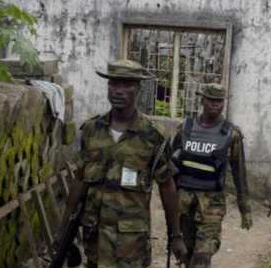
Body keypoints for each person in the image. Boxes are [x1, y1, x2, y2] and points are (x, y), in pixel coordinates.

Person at [61, 59, 187, 268]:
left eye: (126, 84)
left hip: (130, 245)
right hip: (95, 239)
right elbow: (80, 179)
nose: (118, 90)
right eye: (113, 83)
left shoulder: (152, 135)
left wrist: (175, 235)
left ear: (137, 89)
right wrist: (64, 227)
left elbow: (167, 186)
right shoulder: (91, 130)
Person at [171, 83, 253, 268]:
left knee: (203, 255)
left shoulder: (231, 133)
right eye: (211, 100)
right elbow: (171, 166)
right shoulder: (185, 127)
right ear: (202, 100)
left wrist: (245, 209)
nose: (215, 104)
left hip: (212, 205)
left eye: (219, 101)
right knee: (187, 252)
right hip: (184, 203)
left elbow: (240, 173)